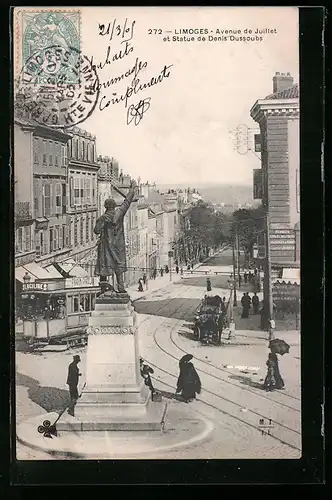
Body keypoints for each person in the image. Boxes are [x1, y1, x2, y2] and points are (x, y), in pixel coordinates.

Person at [94, 179, 137, 294]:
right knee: (118, 268)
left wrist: (101, 223)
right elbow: (126, 203)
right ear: (114, 206)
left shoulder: (103, 218)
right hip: (118, 246)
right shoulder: (119, 213)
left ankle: (103, 289)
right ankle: (121, 289)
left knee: (104, 267)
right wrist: (131, 190)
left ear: (105, 207)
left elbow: (96, 230)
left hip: (106, 247)